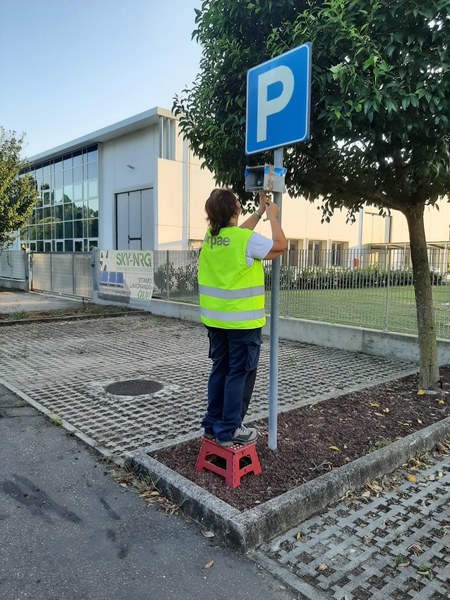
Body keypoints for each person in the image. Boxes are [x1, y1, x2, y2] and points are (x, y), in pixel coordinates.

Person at [198, 188, 287, 447]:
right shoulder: (243, 241)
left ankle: (212, 426)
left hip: (215, 321)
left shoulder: (210, 238)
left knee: (220, 370)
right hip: (242, 323)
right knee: (239, 373)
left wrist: (259, 212)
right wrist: (273, 217)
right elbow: (280, 246)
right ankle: (229, 430)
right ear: (235, 211)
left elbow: (241, 234)